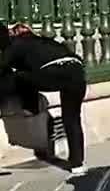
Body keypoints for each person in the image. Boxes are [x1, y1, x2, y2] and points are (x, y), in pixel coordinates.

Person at [0, 24, 88, 175]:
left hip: (51, 72)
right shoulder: (47, 42)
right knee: (72, 117)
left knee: (18, 77)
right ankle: (77, 163)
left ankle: (31, 106)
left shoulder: (18, 44)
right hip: (76, 71)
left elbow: (3, 66)